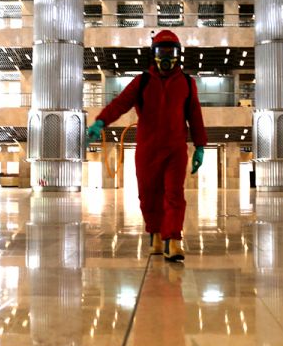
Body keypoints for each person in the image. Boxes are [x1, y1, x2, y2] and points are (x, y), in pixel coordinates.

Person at [86, 30, 207, 262]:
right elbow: (120, 103)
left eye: (170, 52)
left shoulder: (187, 84)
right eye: (161, 52)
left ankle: (173, 240)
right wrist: (101, 121)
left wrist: (200, 146)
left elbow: (195, 116)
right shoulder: (141, 82)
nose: (166, 57)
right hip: (147, 150)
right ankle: (156, 234)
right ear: (154, 54)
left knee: (174, 194)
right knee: (148, 195)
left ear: (177, 55)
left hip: (175, 150)